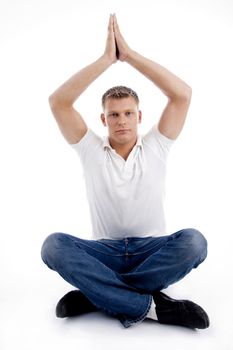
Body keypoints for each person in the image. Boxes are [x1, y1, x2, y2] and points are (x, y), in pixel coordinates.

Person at [41, 14, 209, 329]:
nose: (122, 120)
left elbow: (182, 94)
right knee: (52, 246)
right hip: (104, 251)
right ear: (104, 120)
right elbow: (58, 102)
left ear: (139, 116)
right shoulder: (90, 148)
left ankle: (97, 294)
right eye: (114, 114)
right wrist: (106, 60)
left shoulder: (156, 145)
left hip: (151, 251)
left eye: (128, 113)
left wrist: (128, 56)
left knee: (195, 242)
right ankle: (148, 306)